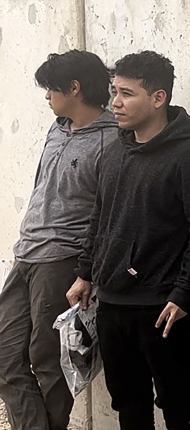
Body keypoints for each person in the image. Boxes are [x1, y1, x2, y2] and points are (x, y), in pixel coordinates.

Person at [66, 50, 190, 430]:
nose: (115, 102)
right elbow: (99, 216)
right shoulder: (115, 150)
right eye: (114, 91)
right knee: (128, 404)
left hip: (161, 309)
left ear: (158, 98)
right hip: (111, 301)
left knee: (178, 403)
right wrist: (85, 272)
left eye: (127, 93)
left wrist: (185, 294)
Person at [0, 50, 117, 430]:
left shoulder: (111, 141)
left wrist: (87, 272)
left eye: (51, 88)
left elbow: (108, 215)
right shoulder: (58, 127)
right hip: (27, 253)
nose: (46, 96)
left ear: (75, 88)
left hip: (62, 261)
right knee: (4, 354)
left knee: (48, 361)